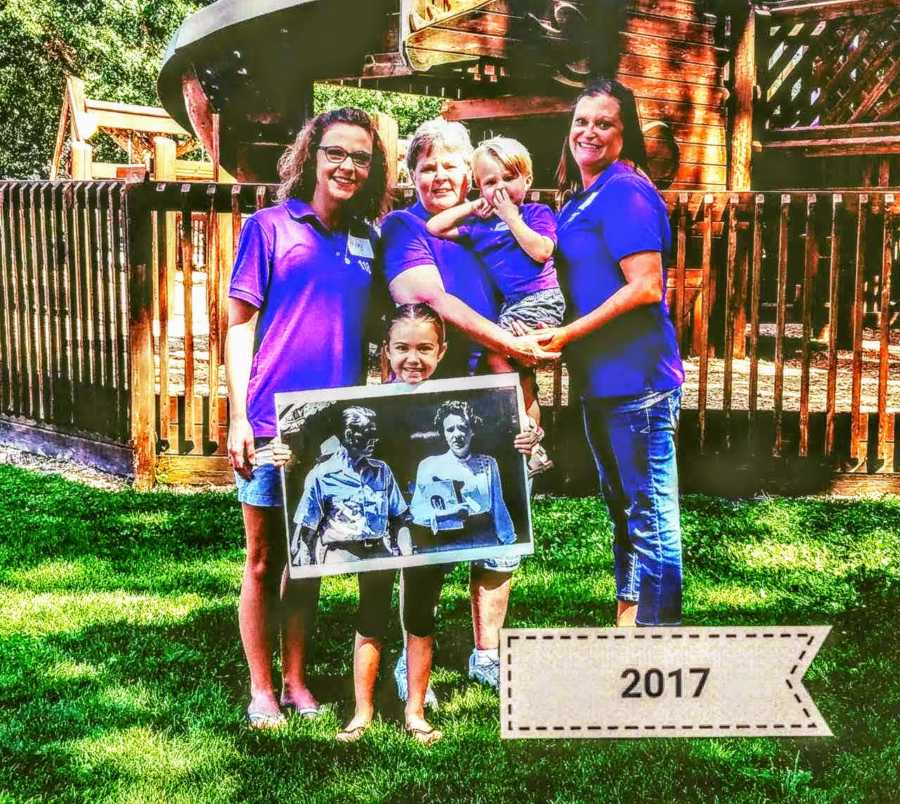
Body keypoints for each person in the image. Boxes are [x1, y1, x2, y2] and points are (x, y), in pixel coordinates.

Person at [225, 106, 390, 728]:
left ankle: (296, 679)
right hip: (272, 420)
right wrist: (241, 416)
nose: (347, 165)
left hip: (334, 426)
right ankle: (261, 688)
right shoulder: (268, 228)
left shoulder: (368, 240)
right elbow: (239, 328)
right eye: (336, 153)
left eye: (360, 157)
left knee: (310, 554)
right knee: (265, 559)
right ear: (311, 157)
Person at [380, 118, 557, 692]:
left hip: (502, 399)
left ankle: (486, 653)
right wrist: (511, 344)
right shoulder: (404, 226)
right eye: (426, 166)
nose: (439, 175)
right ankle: (415, 657)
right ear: (412, 176)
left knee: (501, 532)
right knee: (428, 532)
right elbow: (425, 297)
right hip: (430, 404)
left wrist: (527, 391)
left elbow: (532, 282)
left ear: (472, 173)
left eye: (451, 165)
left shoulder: (484, 229)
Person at [538, 79, 685, 627]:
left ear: (625, 136)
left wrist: (568, 335)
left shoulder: (626, 190)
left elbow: (646, 286)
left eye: (604, 123)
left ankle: (657, 638)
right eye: (581, 121)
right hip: (600, 383)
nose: (589, 131)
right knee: (624, 511)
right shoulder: (581, 199)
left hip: (639, 382)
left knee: (650, 517)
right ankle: (629, 622)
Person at [381, 303, 542, 741]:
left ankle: (484, 655)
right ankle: (409, 666)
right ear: (387, 350)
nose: (412, 358)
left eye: (424, 349)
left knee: (494, 561)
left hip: (476, 523)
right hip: (426, 528)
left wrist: (530, 437)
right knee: (419, 587)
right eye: (402, 348)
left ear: (442, 350)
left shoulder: (485, 456)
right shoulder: (386, 409)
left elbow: (519, 424)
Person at [426, 136, 565, 473]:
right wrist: (474, 206)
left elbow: (542, 251)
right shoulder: (480, 226)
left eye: (509, 178)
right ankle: (533, 446)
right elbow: (435, 226)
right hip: (513, 308)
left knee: (493, 353)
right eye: (490, 182)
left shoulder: (536, 213)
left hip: (540, 300)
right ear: (478, 187)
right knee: (521, 375)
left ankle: (531, 438)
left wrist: (511, 216)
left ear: (527, 180)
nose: (500, 187)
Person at [290, 407, 406, 566]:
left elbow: (399, 517)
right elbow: (307, 529)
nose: (375, 439)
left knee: (379, 591)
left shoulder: (382, 470)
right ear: (349, 435)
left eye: (375, 433)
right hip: (339, 555)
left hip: (379, 551)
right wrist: (305, 566)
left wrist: (402, 552)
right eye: (368, 433)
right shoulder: (321, 475)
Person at [410, 400, 516, 551]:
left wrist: (508, 541)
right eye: (450, 429)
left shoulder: (488, 464)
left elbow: (498, 505)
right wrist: (448, 514)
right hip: (444, 541)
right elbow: (417, 513)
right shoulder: (429, 465)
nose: (457, 435)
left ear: (472, 430)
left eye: (462, 428)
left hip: (483, 538)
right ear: (443, 433)